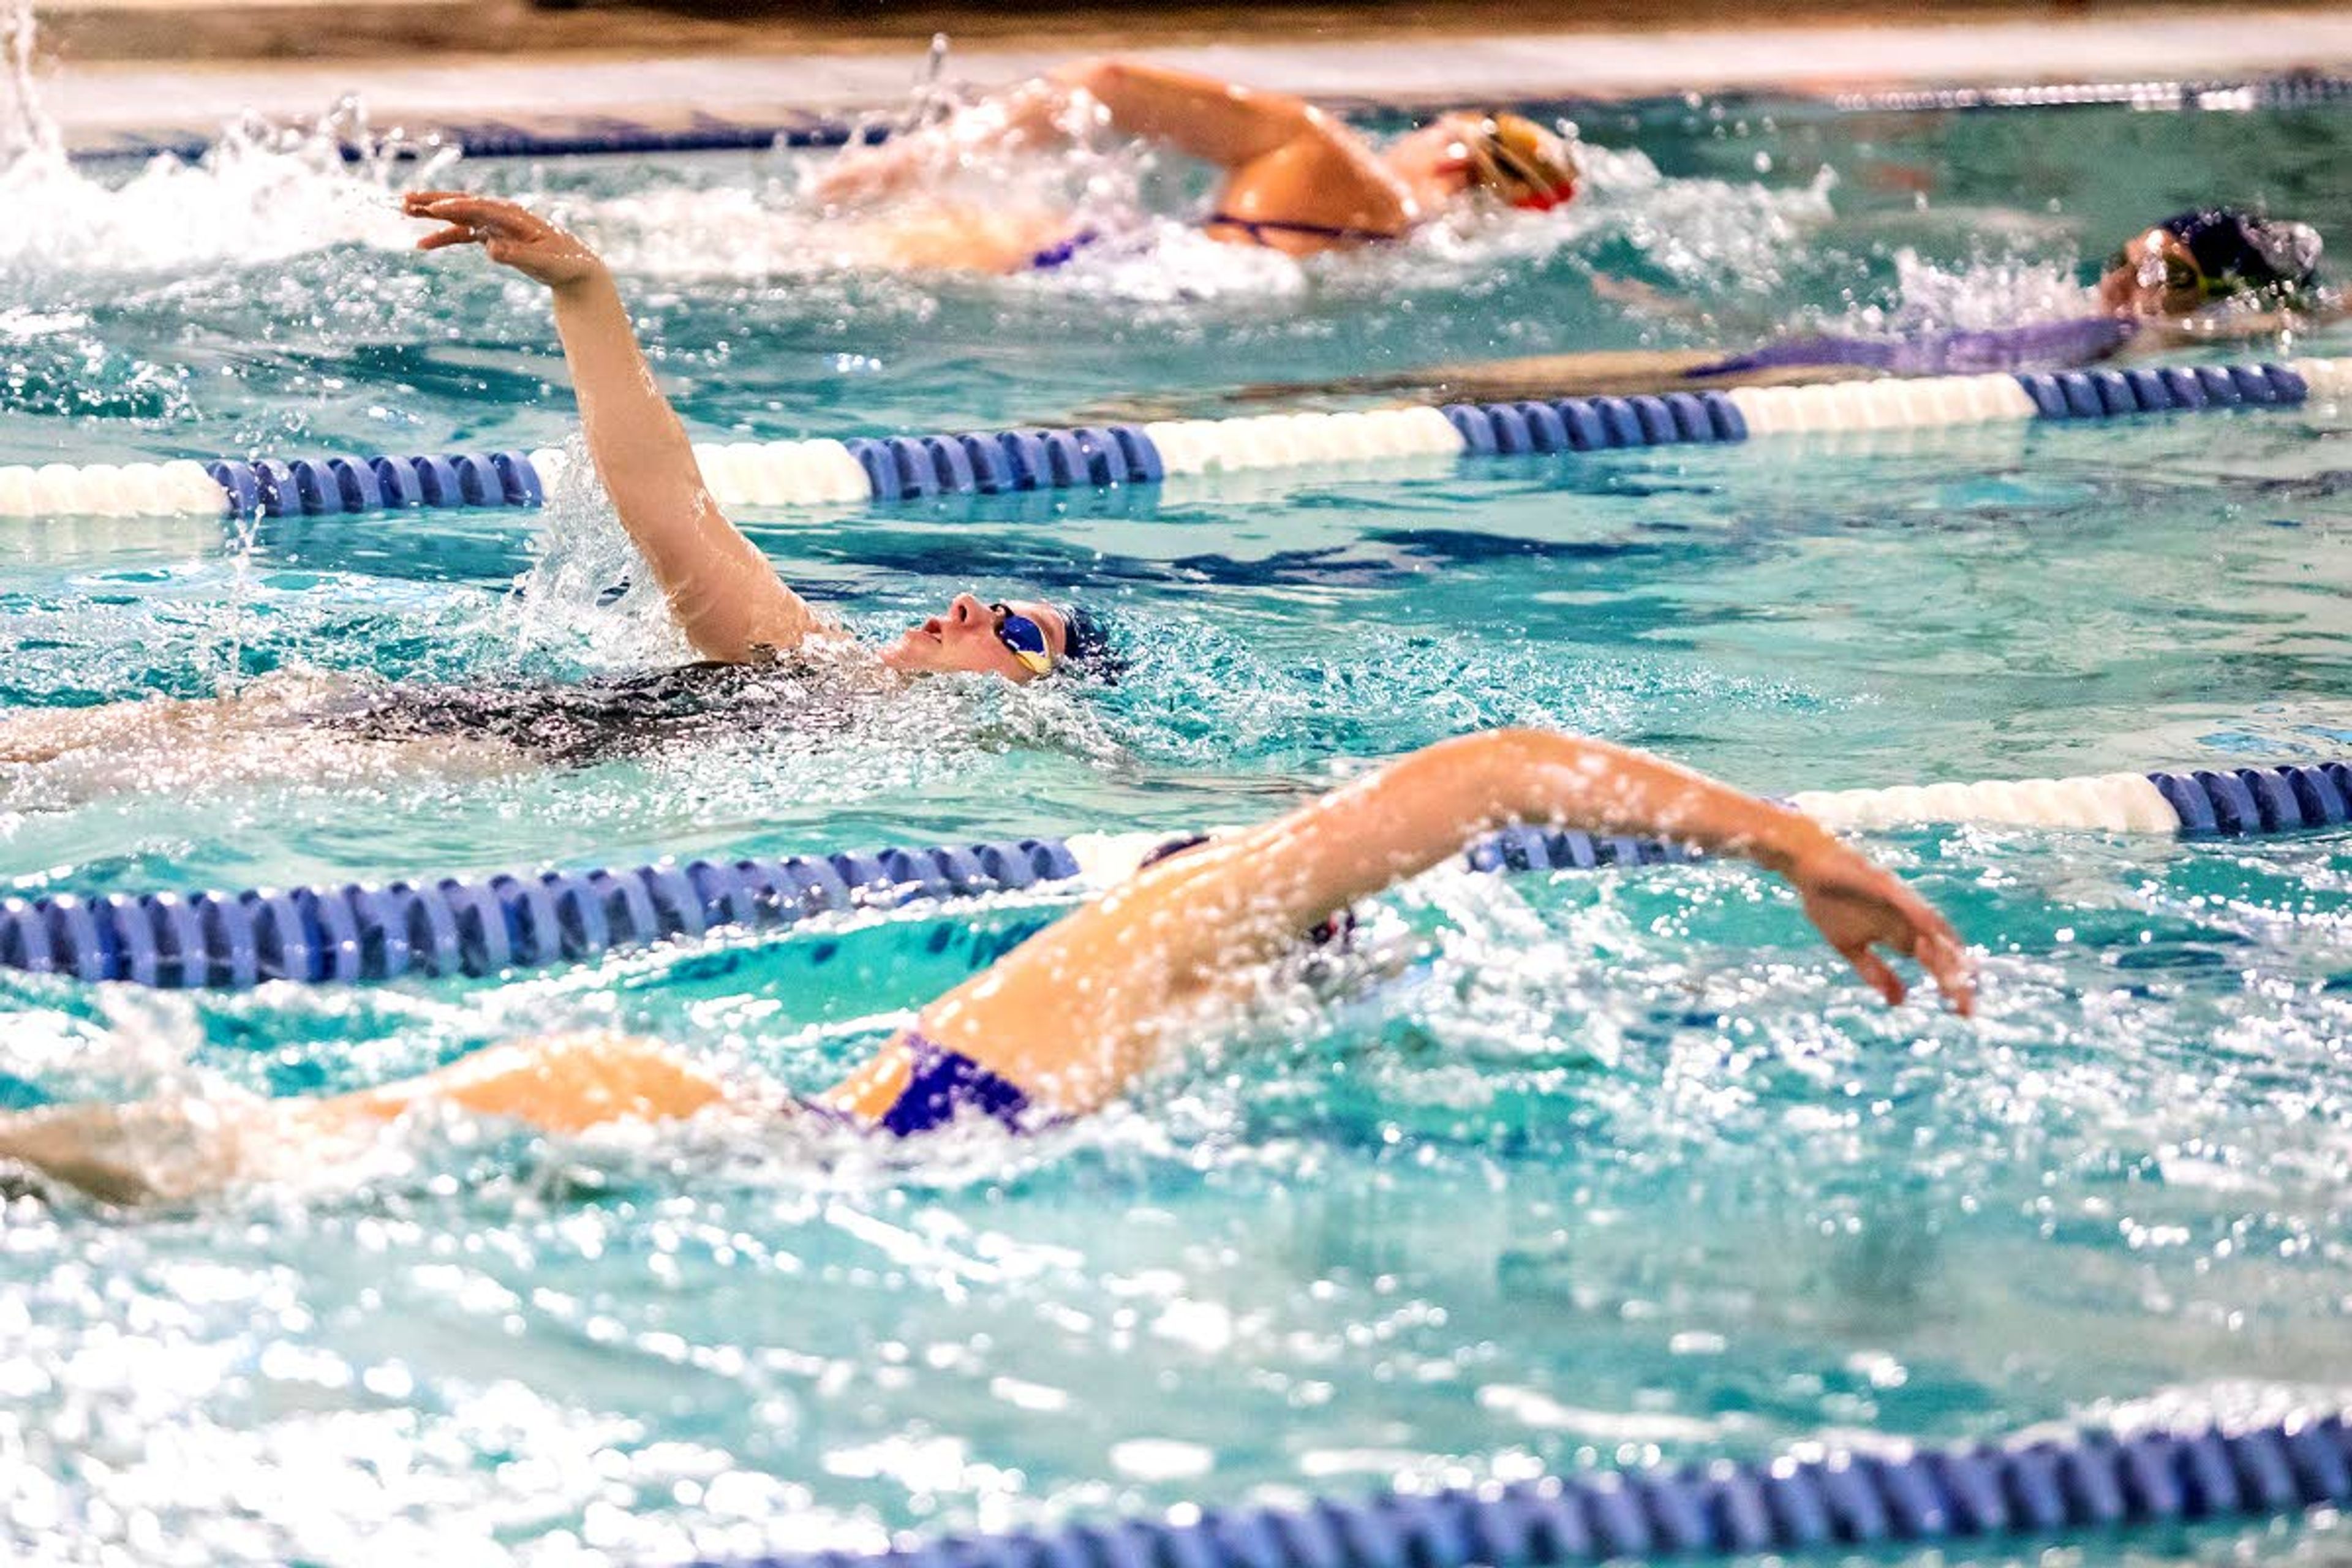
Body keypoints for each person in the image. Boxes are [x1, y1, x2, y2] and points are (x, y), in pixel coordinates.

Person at [0, 726, 1974, 1205]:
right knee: (212, 1158)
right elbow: (1477, 776)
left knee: (220, 1167)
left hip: (774, 1134)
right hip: (730, 1120)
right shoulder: (1199, 916)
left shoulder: (1168, 995)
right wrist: (1790, 836)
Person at [0, 194, 1118, 782]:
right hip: (384, 730)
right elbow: (663, 496)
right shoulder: (805, 658)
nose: (973, 604)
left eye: (1016, 627)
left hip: (414, 770)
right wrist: (587, 289)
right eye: (994, 597)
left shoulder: (915, 747)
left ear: (1038, 699)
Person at [1201, 206, 2336, 410]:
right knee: (1494, 386)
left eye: (2165, 278)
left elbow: (2299, 317)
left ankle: (1286, 394)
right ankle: (1311, 391)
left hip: (1838, 383)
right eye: (2124, 260)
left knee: (1489, 391)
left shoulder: (2176, 343)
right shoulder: (2097, 323)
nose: (2123, 287)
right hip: (1823, 359)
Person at [805, 57, 1581, 271]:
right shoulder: (1406, 235)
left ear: (1453, 157)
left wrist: (909, 160)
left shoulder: (1321, 148)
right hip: (1145, 276)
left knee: (811, 250)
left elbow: (1108, 83)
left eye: (1439, 126)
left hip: (1104, 268)